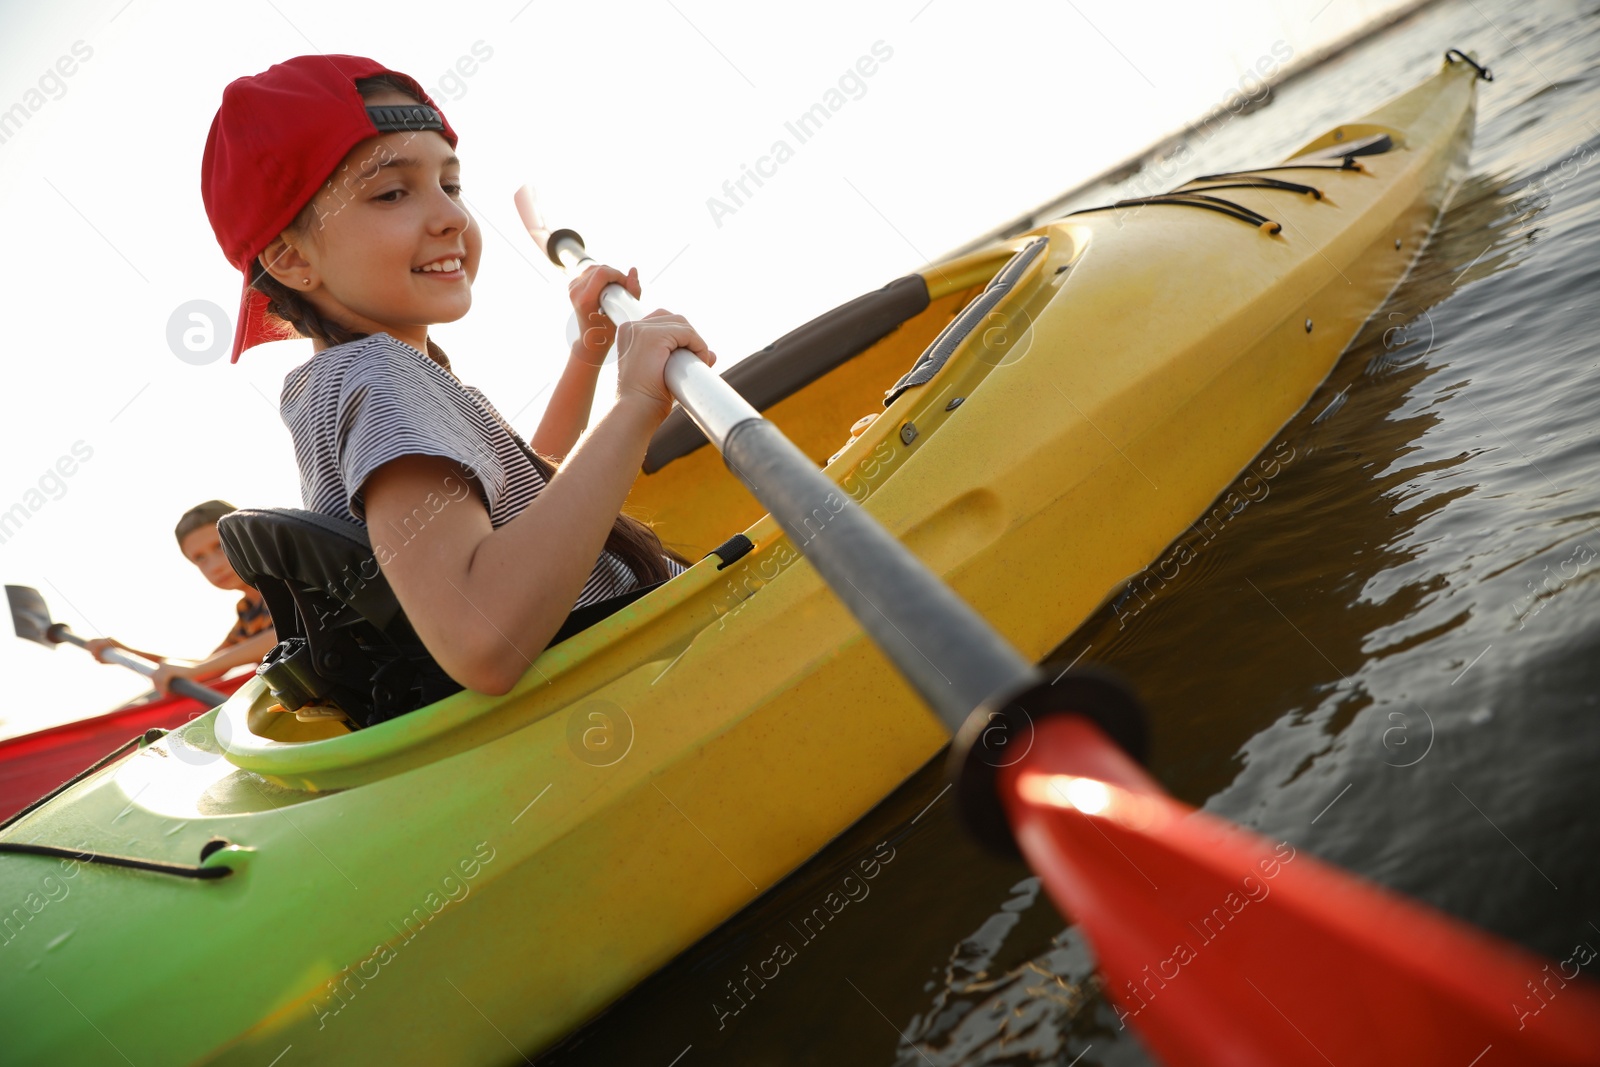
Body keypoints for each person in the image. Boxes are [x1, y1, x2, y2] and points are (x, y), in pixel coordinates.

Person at [200, 56, 715, 696]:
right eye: (392, 192)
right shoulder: (377, 378)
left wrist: (588, 356)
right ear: (292, 258)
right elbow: (482, 639)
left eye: (451, 184)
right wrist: (636, 402)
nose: (450, 218)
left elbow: (527, 497)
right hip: (650, 681)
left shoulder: (364, 376)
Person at [86, 500, 277, 696]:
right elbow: (205, 668)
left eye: (220, 547)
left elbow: (284, 637)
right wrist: (125, 652)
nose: (214, 566)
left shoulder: (287, 584)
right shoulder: (247, 611)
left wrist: (197, 670)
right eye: (200, 558)